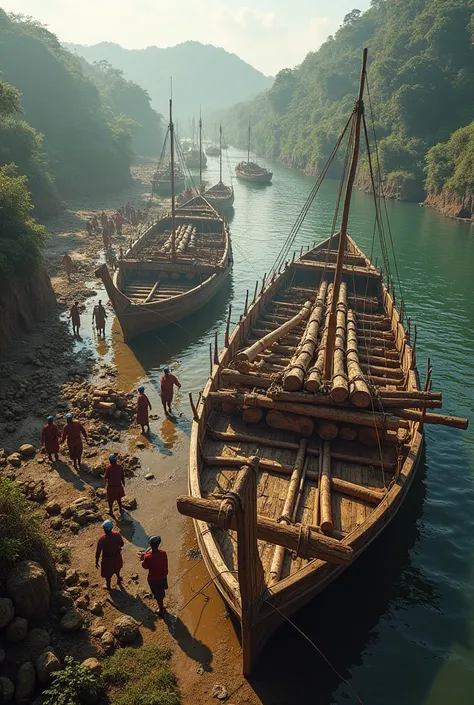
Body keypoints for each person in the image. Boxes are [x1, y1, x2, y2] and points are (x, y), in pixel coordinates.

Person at [140, 535, 168, 616]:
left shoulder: (148, 556)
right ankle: (162, 604)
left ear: (150, 545)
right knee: (161, 591)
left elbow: (145, 567)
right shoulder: (163, 553)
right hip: (163, 576)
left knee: (157, 594)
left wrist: (142, 559)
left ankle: (161, 609)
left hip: (154, 579)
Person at [95, 519, 124, 590]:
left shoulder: (102, 539)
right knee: (117, 568)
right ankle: (118, 578)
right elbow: (122, 544)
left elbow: (98, 552)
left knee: (107, 575)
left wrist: (96, 562)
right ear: (111, 528)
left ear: (104, 529)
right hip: (117, 557)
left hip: (107, 560)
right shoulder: (117, 534)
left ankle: (108, 586)